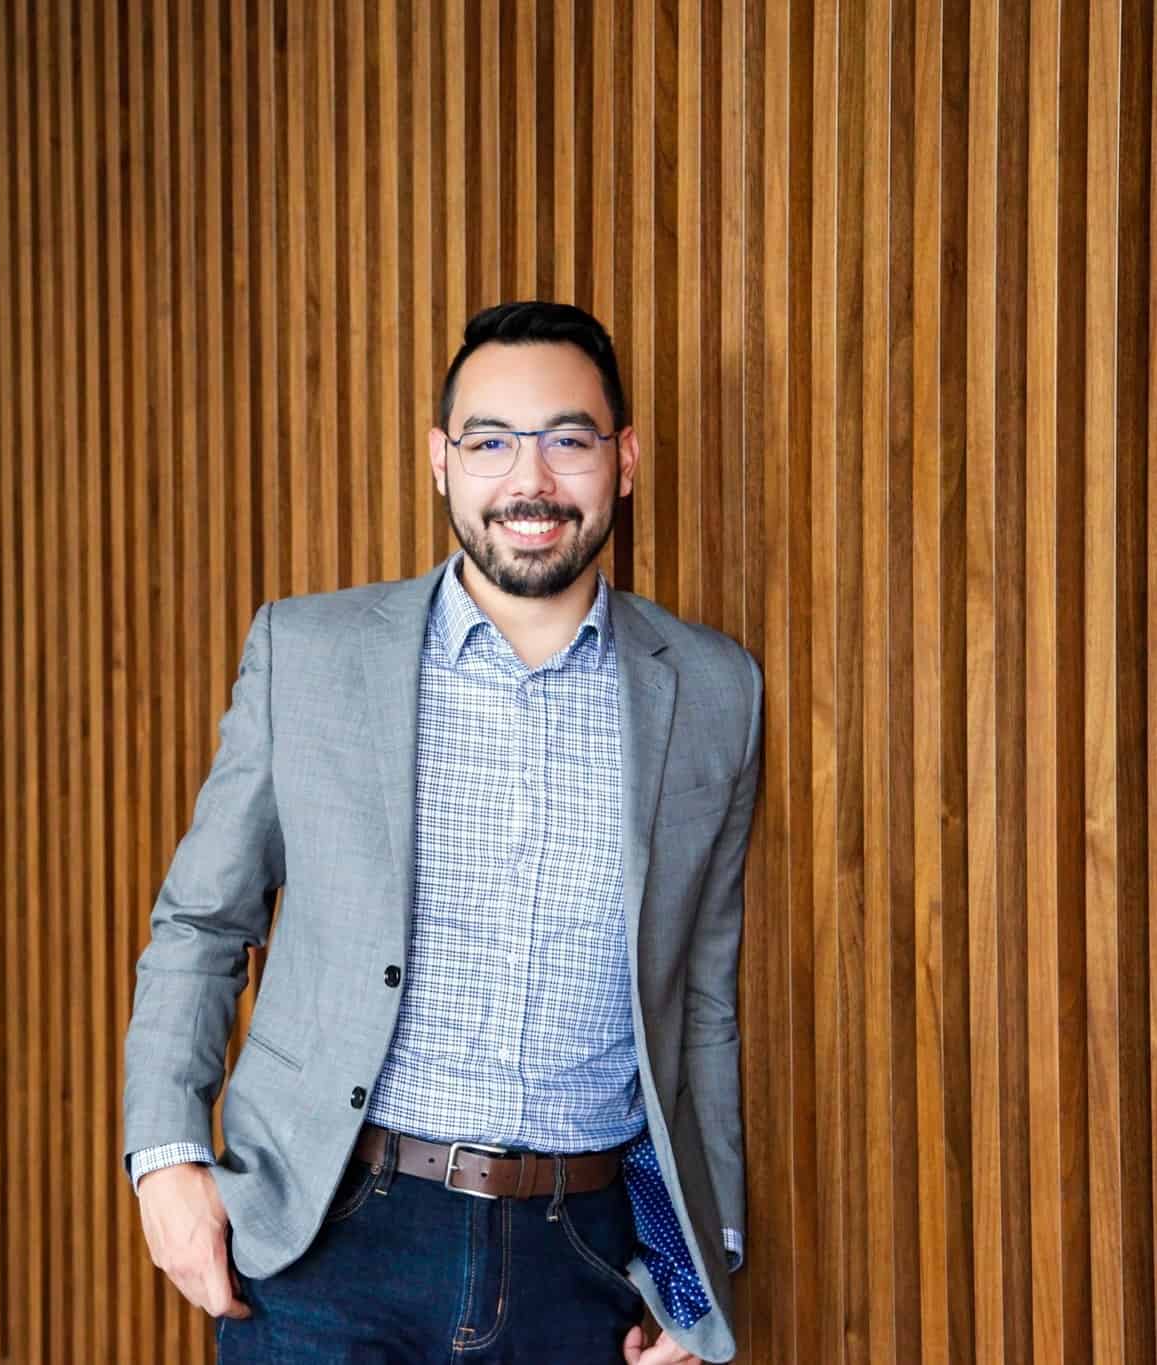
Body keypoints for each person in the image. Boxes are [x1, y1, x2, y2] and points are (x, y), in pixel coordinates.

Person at [122, 300, 764, 1363]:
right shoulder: (309, 654)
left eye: (570, 439)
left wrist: (698, 1277)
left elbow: (702, 1000)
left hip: (585, 1262)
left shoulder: (713, 689)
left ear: (625, 460)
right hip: (327, 1240)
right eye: (491, 442)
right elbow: (201, 923)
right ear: (441, 462)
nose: (532, 481)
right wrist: (168, 1162)